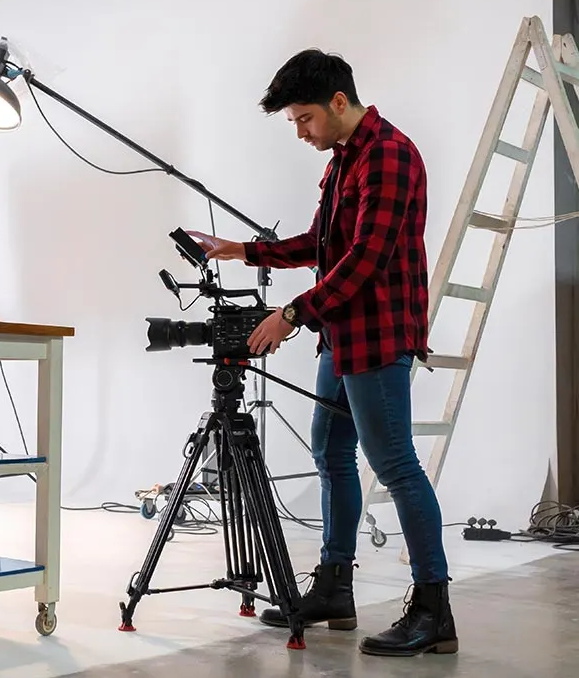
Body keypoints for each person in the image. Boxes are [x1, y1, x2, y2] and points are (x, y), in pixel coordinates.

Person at [190, 48, 456, 659]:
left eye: (305, 118)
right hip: (340, 333)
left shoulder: (389, 155)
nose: (301, 132)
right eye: (293, 123)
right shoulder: (344, 160)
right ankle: (336, 586)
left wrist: (290, 314)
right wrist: (243, 251)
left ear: (340, 101)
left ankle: (434, 609)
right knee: (332, 453)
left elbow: (365, 259)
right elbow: (321, 243)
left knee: (395, 466)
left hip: (379, 334)